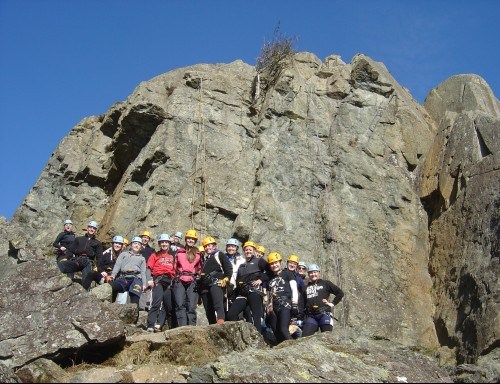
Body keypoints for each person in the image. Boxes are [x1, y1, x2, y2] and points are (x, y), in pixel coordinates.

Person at [226, 241, 268, 333]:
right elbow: (238, 284)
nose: (248, 251)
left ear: (254, 251)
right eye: (246, 250)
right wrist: (233, 297)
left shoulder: (259, 261)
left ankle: (258, 339)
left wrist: (261, 279)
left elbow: (270, 271)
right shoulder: (241, 266)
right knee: (231, 315)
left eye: (250, 249)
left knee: (255, 317)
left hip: (254, 291)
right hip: (243, 292)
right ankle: (239, 335)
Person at [265, 252, 299, 343]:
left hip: (285, 304)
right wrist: (268, 308)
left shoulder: (287, 273)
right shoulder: (270, 278)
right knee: (277, 333)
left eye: (276, 262)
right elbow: (270, 294)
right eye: (272, 264)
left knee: (284, 330)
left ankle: (295, 349)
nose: (274, 265)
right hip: (273, 307)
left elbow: (294, 289)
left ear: (280, 262)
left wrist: (295, 304)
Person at [302, 264, 344, 337]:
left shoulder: (325, 283)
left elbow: (340, 293)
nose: (313, 274)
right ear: (308, 274)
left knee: (327, 338)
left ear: (319, 273)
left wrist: (332, 303)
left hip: (324, 314)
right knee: (304, 337)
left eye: (315, 272)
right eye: (311, 272)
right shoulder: (306, 288)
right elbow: (302, 302)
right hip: (311, 316)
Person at [199, 236, 233, 324]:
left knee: (218, 305)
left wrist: (226, 278)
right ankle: (212, 326)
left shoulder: (219, 254)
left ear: (214, 246)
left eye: (209, 245)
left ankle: (221, 323)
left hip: (216, 283)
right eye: (205, 246)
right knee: (208, 309)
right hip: (205, 287)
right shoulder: (206, 259)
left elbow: (228, 267)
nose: (207, 248)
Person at [146, 234, 176, 332]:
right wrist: (149, 279)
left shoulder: (172, 256)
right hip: (158, 279)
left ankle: (159, 324)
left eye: (166, 242)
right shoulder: (154, 255)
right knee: (157, 302)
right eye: (162, 242)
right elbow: (148, 268)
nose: (164, 244)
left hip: (169, 281)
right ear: (159, 244)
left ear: (169, 244)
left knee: (168, 305)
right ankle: (150, 324)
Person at [60, 221, 103, 286]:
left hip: (88, 262)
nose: (92, 229)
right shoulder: (79, 239)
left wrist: (98, 267)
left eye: (94, 228)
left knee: (87, 279)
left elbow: (99, 257)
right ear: (87, 228)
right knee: (68, 267)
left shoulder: (97, 243)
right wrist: (66, 258)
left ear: (95, 230)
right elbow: (71, 250)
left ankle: (85, 291)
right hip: (78, 259)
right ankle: (67, 285)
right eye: (90, 227)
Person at [173, 229, 202, 326]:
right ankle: (182, 327)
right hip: (179, 279)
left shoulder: (198, 254)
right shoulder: (179, 252)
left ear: (195, 241)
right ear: (186, 239)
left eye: (193, 239)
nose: (190, 240)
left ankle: (191, 328)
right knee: (180, 304)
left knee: (191, 306)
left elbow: (200, 268)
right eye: (189, 238)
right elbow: (174, 267)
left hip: (192, 280)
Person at [109, 237, 147, 308]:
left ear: (141, 247)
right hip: (124, 277)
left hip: (136, 279)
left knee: (135, 298)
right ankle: (110, 307)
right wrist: (113, 275)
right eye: (135, 243)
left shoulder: (142, 258)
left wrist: (144, 284)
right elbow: (117, 265)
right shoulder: (124, 254)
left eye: (138, 244)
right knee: (112, 287)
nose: (136, 245)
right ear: (131, 245)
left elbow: (143, 272)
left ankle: (134, 315)